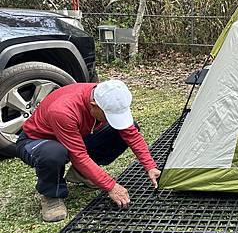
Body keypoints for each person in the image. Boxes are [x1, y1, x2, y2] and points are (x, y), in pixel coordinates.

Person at [16, 79, 161, 222]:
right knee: (54, 153)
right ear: (94, 106)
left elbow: (130, 133)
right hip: (36, 141)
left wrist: (150, 166)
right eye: (109, 116)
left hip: (76, 135)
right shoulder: (63, 110)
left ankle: (80, 174)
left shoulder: (107, 94)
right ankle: (51, 195)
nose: (112, 120)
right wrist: (111, 186)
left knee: (124, 129)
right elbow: (78, 156)